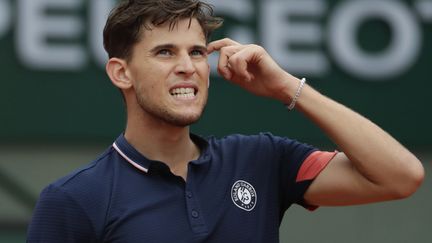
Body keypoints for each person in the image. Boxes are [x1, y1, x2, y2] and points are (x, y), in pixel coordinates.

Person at [27, 0, 424, 242]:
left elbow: (400, 176)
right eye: (165, 52)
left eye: (197, 52)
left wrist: (287, 87)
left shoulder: (261, 159)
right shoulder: (73, 200)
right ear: (121, 73)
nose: (187, 67)